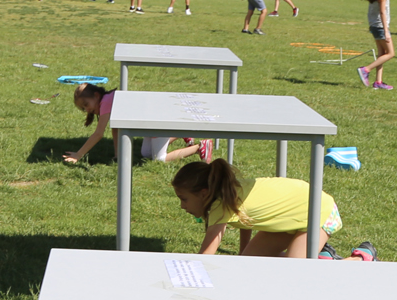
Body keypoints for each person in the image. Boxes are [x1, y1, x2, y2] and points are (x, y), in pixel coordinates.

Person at [172, 157, 366, 260]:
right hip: (292, 217)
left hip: (319, 212)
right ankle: (323, 257)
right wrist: (243, 254)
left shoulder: (219, 205)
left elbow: (205, 257)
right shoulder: (229, 193)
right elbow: (244, 218)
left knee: (294, 272)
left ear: (203, 193)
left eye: (184, 199)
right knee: (252, 263)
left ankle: (361, 258)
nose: (182, 206)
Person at [63, 84, 210, 166]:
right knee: (145, 154)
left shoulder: (106, 102)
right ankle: (181, 133)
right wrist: (118, 155)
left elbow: (98, 134)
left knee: (159, 159)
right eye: (83, 108)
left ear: (96, 95)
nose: (87, 109)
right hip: (149, 125)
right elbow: (116, 129)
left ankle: (199, 147)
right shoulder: (107, 100)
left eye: (86, 104)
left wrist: (79, 154)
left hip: (155, 123)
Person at [358, 0, 396, 91]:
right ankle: (366, 69)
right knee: (391, 53)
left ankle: (378, 82)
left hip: (374, 26)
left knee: (382, 54)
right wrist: (386, 31)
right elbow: (382, 12)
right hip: (380, 27)